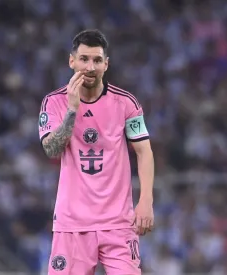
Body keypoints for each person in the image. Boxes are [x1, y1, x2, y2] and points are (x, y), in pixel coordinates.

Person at [38, 29, 154, 275]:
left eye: (97, 60)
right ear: (72, 61)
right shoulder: (54, 102)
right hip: (72, 224)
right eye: (84, 59)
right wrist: (72, 110)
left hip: (119, 223)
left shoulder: (126, 103)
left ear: (106, 64)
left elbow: (144, 151)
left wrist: (145, 200)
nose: (90, 67)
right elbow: (51, 149)